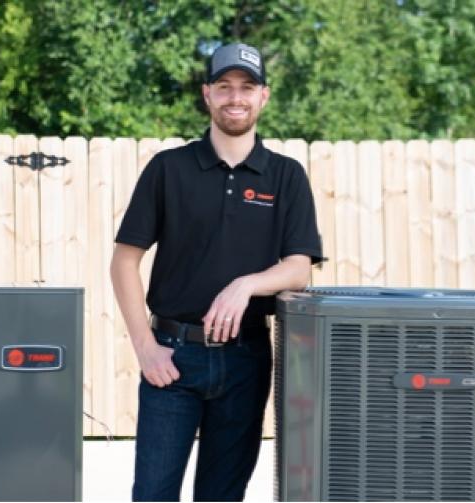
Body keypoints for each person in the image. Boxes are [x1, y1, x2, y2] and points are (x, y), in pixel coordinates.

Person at [110, 42, 323, 502]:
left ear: (263, 96)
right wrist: (146, 348)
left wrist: (246, 285)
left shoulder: (286, 176)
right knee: (152, 495)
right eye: (224, 86)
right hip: (172, 358)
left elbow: (299, 268)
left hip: (246, 360)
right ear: (207, 94)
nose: (235, 97)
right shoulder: (168, 169)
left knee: (222, 496)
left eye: (247, 87)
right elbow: (124, 261)